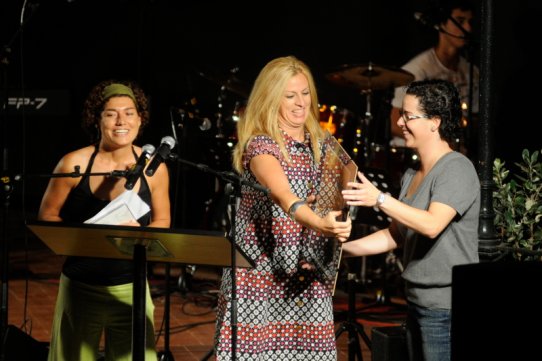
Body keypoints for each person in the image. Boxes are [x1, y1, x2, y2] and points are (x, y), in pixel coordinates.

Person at [213, 55, 352, 360]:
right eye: (290, 95)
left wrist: (343, 218)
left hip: (305, 270)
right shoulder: (262, 145)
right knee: (254, 353)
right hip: (258, 270)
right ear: (271, 99)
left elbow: (342, 188)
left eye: (305, 93)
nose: (301, 102)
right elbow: (283, 195)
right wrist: (319, 223)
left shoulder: (323, 144)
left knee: (309, 353)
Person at [341, 79, 480, 361]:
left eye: (408, 115)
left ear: (435, 122)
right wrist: (341, 250)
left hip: (445, 309)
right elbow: (396, 235)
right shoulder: (411, 173)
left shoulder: (457, 168)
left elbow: (431, 225)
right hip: (416, 302)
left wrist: (380, 199)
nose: (400, 122)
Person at [38, 80, 171, 361]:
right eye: (111, 113)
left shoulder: (155, 169)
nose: (121, 120)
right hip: (81, 286)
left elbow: (163, 222)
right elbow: (47, 217)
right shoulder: (73, 163)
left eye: (129, 112)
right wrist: (84, 237)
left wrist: (142, 235)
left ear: (140, 119)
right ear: (97, 120)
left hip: (131, 288)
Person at [389, 0, 479, 157]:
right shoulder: (417, 70)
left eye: (470, 22)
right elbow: (395, 123)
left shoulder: (472, 71)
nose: (467, 28)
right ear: (441, 24)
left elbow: (476, 120)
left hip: (453, 155)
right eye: (460, 21)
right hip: (414, 157)